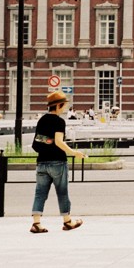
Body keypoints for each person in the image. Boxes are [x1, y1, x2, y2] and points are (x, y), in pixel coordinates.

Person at [29, 90, 87, 234]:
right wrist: (74, 152)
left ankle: (36, 223)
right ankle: (67, 221)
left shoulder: (41, 120)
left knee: (40, 193)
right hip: (57, 162)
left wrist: (49, 141)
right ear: (59, 105)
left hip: (42, 161)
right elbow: (59, 142)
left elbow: (38, 142)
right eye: (64, 105)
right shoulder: (59, 121)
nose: (65, 108)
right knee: (62, 192)